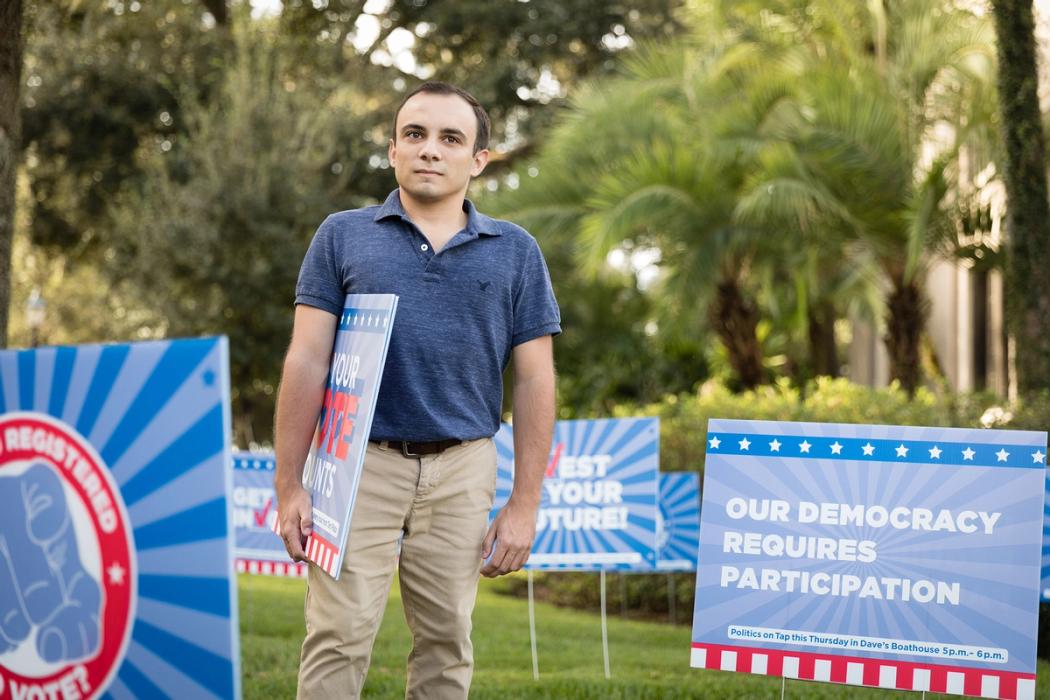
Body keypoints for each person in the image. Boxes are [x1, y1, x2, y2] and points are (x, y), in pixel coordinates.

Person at [273, 81, 560, 699]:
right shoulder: (342, 235)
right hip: (358, 466)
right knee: (339, 634)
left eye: (450, 138)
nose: (430, 149)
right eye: (415, 134)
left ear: (478, 159)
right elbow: (306, 360)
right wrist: (290, 483)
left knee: (447, 642)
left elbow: (536, 379)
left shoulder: (516, 252)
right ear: (394, 150)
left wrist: (525, 503)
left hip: (463, 468)